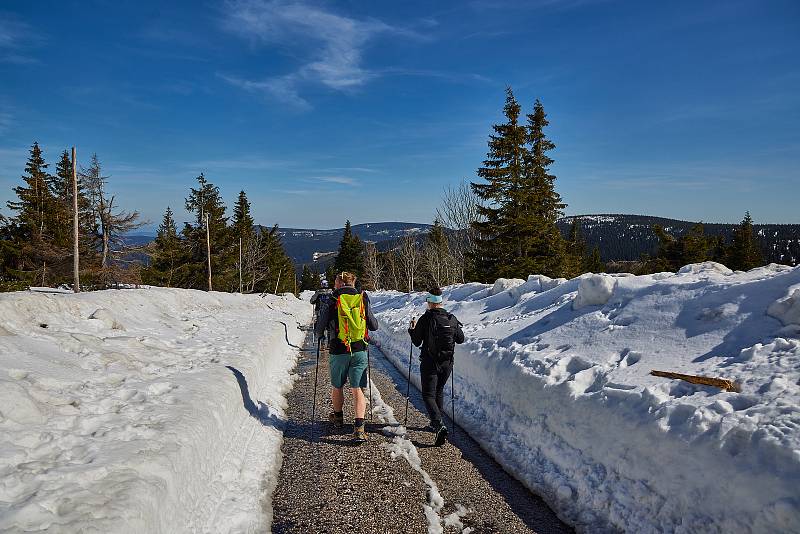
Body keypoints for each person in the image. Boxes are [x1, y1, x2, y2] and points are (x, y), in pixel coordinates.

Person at [314, 271, 378, 442]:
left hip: (338, 350)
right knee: (357, 389)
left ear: (341, 283)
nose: (334, 285)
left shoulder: (332, 299)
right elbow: (374, 325)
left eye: (335, 282)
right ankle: (359, 428)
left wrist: (320, 334)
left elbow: (319, 328)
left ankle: (338, 417)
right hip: (359, 350)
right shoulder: (362, 299)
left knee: (337, 386)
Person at [408, 287, 465, 446]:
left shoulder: (426, 319)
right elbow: (460, 339)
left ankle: (438, 424)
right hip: (447, 363)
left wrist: (411, 330)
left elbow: (417, 341)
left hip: (429, 362)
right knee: (438, 390)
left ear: (430, 302)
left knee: (428, 395)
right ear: (440, 302)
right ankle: (438, 422)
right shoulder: (451, 318)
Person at [310, 280, 333, 344]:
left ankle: (322, 342)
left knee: (320, 327)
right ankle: (329, 343)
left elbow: (312, 301)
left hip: (319, 312)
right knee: (329, 328)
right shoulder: (331, 292)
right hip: (329, 312)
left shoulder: (318, 292)